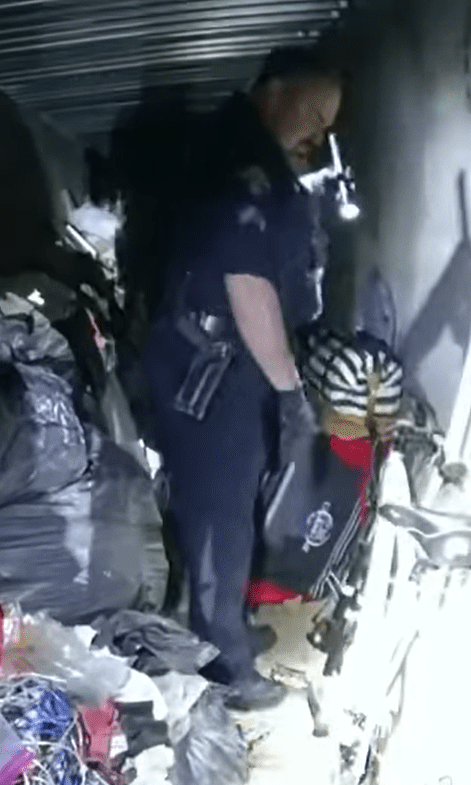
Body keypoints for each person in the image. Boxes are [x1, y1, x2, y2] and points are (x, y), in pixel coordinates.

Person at [139, 48, 342, 710]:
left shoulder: (244, 152)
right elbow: (247, 284)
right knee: (218, 517)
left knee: (227, 510)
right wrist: (288, 391)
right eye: (312, 111)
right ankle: (222, 665)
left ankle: (220, 628)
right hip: (215, 372)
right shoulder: (245, 168)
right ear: (273, 92)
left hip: (219, 369)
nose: (316, 131)